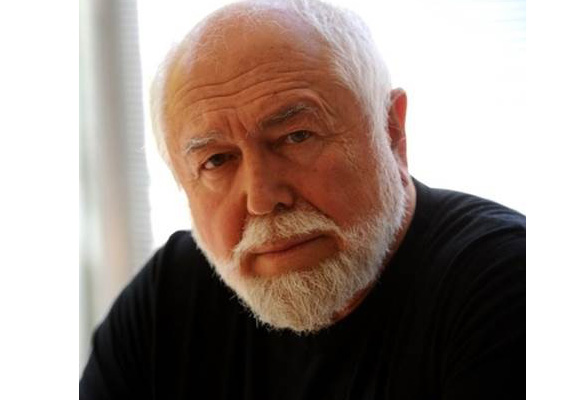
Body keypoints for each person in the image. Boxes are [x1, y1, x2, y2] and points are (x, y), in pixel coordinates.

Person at [80, 0, 525, 398]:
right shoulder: (169, 300)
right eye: (217, 160)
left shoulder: (508, 282)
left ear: (390, 131)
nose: (262, 199)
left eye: (296, 136)